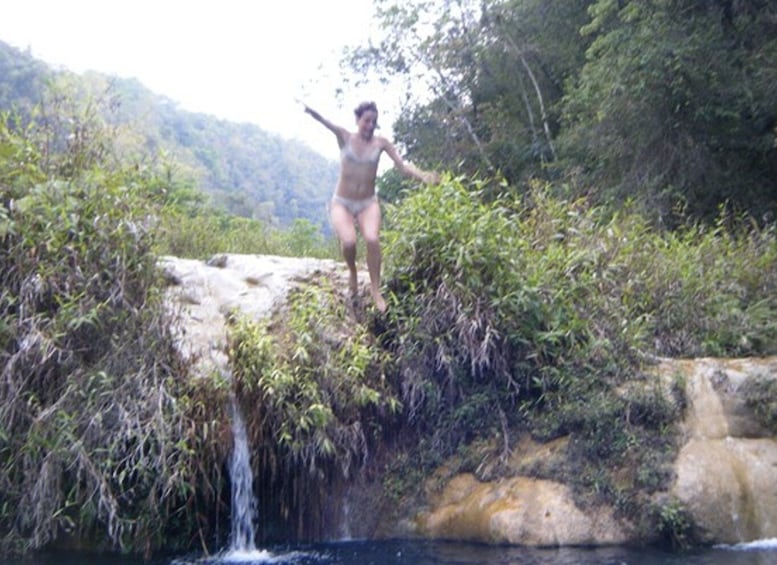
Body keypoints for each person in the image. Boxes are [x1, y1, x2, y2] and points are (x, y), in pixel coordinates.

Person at [303, 101, 439, 312]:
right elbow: (325, 122)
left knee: (372, 239)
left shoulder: (381, 143)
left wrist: (424, 176)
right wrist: (312, 111)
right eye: (367, 120)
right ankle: (353, 273)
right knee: (349, 242)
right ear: (358, 120)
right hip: (342, 202)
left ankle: (376, 290)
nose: (370, 125)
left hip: (368, 202)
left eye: (374, 122)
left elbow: (402, 167)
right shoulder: (345, 137)